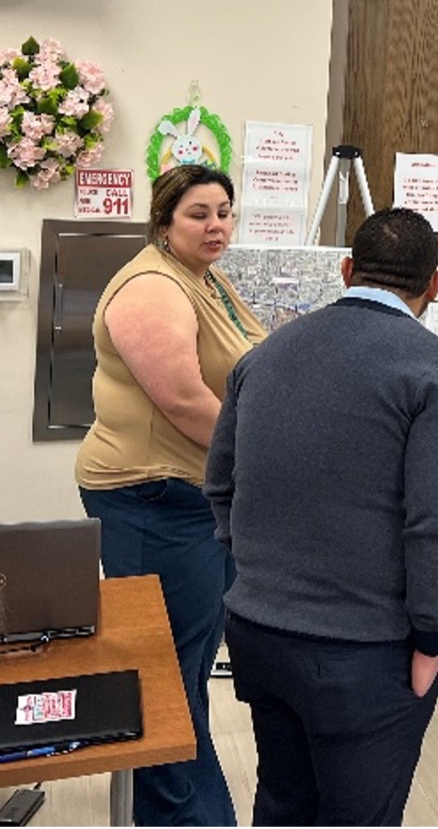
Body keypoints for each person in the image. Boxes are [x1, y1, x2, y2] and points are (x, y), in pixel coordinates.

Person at [206, 208, 438, 827]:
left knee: (281, 802)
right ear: (434, 286)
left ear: (347, 269)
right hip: (365, 651)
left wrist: (257, 572)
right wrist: (431, 638)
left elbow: (220, 483)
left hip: (257, 631)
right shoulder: (434, 369)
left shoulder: (264, 355)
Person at [75, 164, 266, 826]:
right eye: (198, 214)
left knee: (182, 668)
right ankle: (182, 818)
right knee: (164, 678)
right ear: (164, 222)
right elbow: (185, 401)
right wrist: (269, 461)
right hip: (151, 497)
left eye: (223, 212)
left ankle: (189, 812)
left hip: (197, 496)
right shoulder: (152, 288)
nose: (216, 226)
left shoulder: (204, 279)